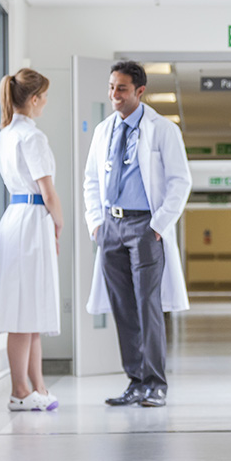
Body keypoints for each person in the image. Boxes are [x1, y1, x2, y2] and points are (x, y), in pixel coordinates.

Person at [84, 60, 192, 408]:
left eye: (122, 89)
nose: (114, 95)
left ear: (140, 92)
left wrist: (158, 225)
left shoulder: (163, 130)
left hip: (146, 227)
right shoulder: (103, 130)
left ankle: (156, 383)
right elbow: (91, 180)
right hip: (111, 228)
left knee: (148, 307)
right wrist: (96, 224)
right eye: (112, 88)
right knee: (123, 308)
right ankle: (135, 381)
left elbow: (180, 181)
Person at [0, 68, 62, 412]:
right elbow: (47, 191)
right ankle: (20, 390)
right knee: (23, 311)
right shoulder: (32, 137)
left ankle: (38, 387)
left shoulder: (6, 134)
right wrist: (59, 223)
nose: (45, 103)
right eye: (44, 97)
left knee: (30, 309)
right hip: (32, 220)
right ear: (34, 99)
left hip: (17, 219)